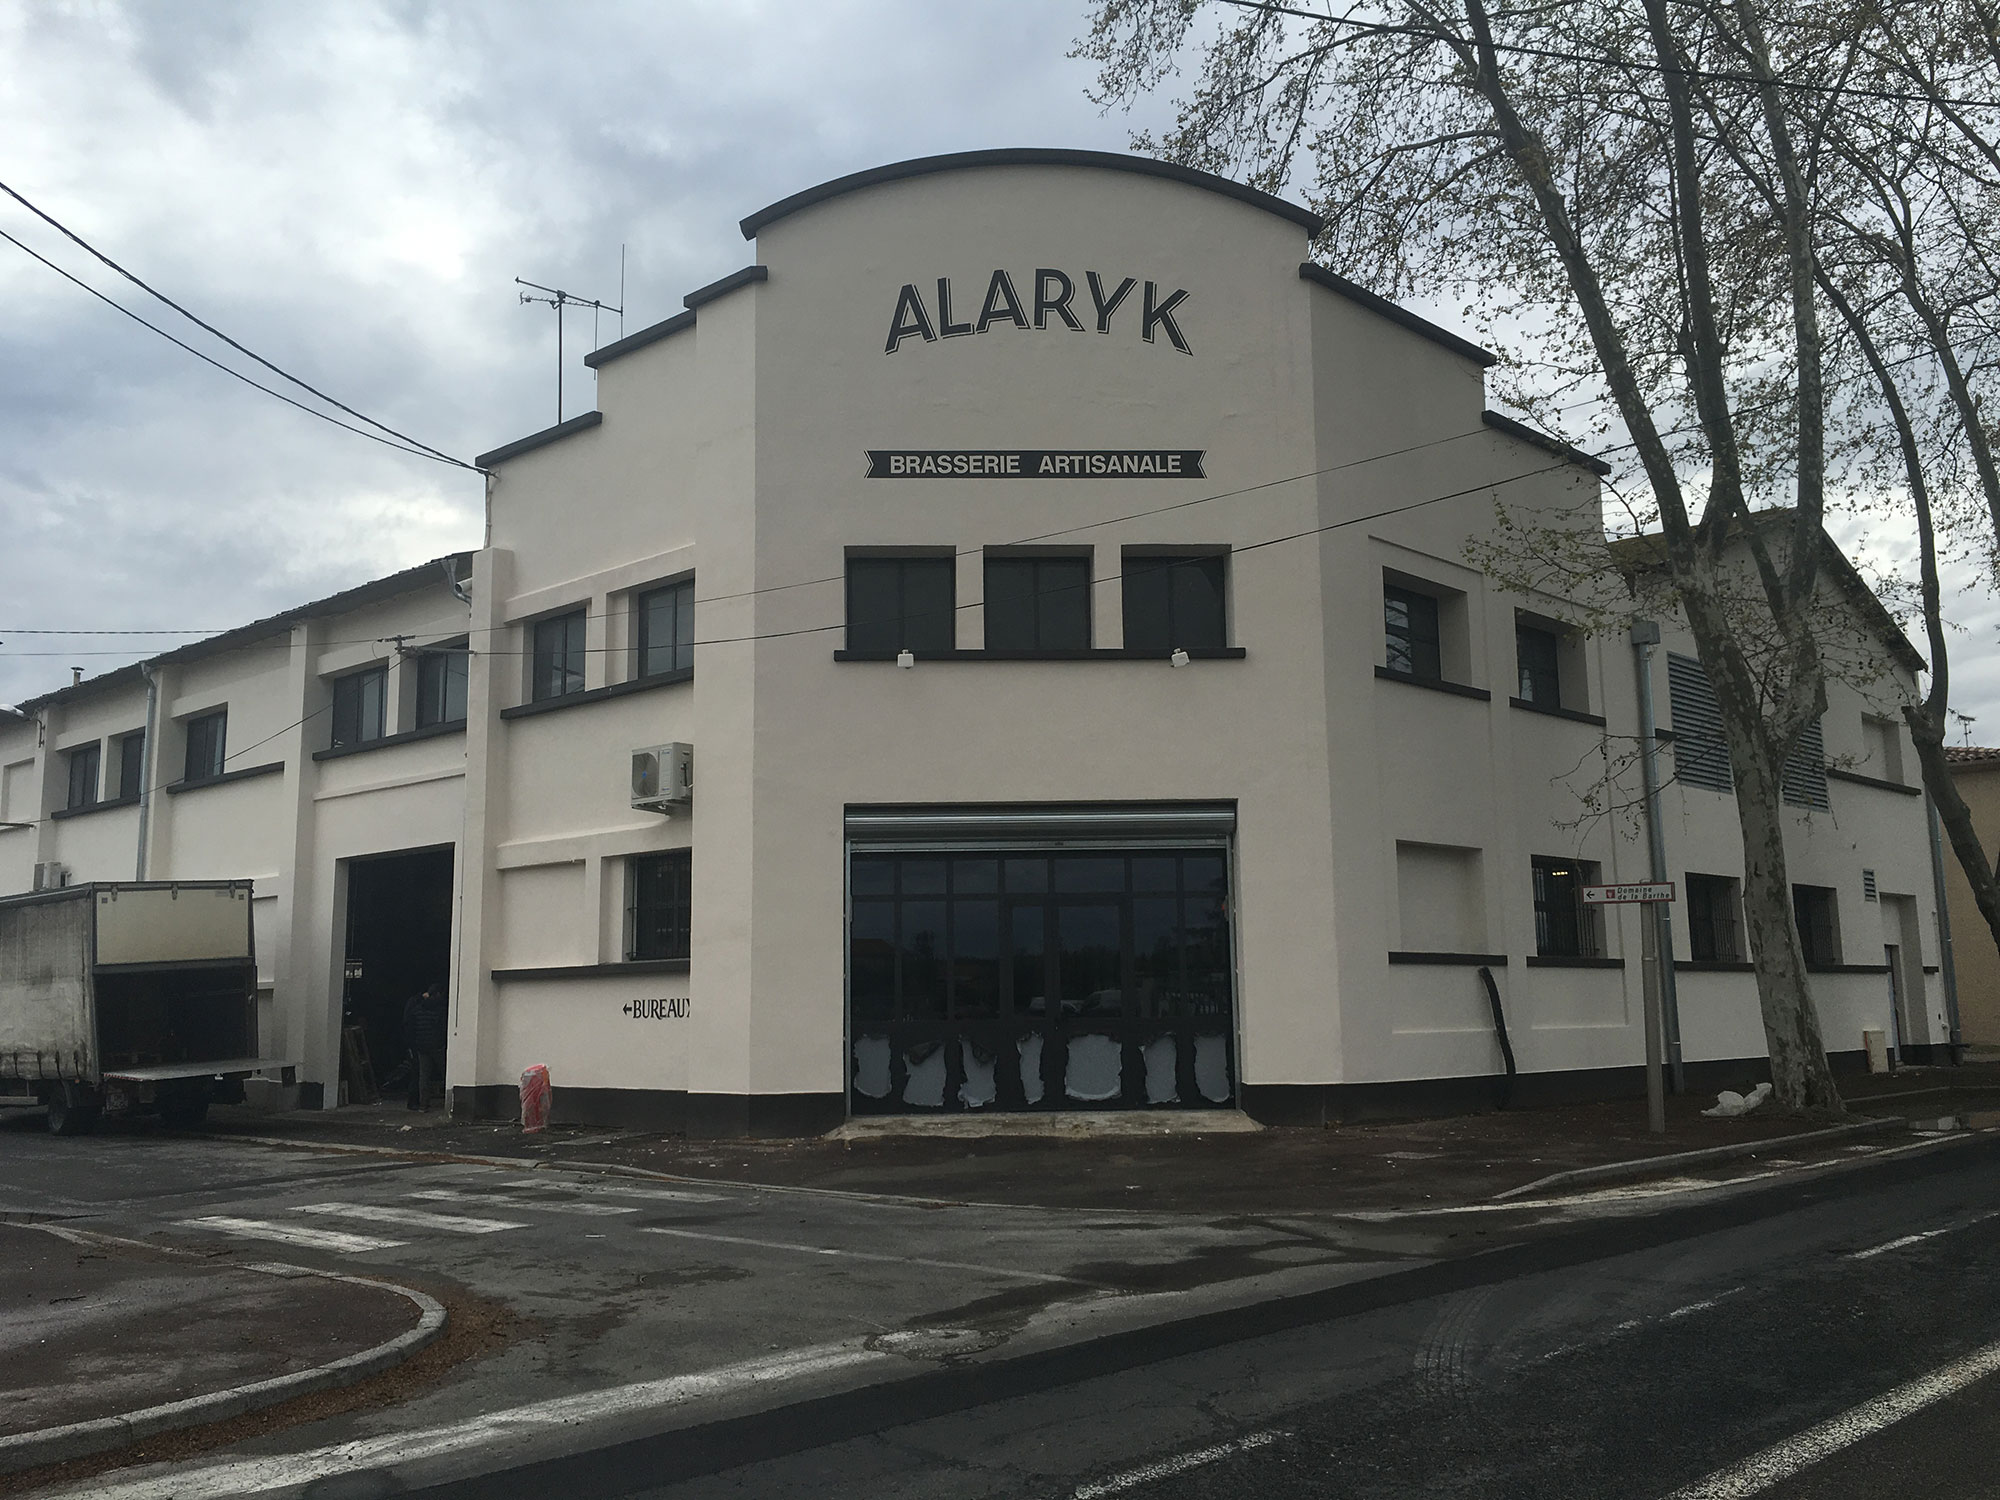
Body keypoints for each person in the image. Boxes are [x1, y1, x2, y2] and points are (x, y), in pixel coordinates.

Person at [402, 983, 448, 1111]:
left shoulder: (418, 1008)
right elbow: (442, 1028)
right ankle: (450, 1101)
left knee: (423, 1076)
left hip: (421, 1047)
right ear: (438, 994)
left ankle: (423, 1105)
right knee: (446, 1073)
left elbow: (411, 1026)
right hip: (437, 1046)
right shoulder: (439, 1009)